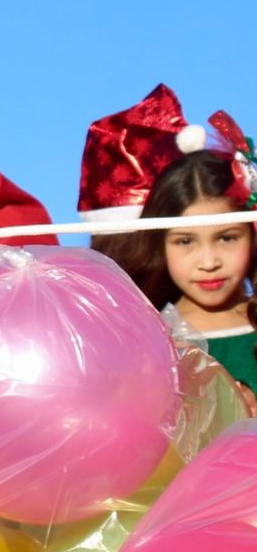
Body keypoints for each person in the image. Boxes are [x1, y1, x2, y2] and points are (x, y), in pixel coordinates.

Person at [108, 151, 257, 395]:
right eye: (185, 241)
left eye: (227, 238)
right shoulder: (145, 341)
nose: (208, 263)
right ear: (159, 244)